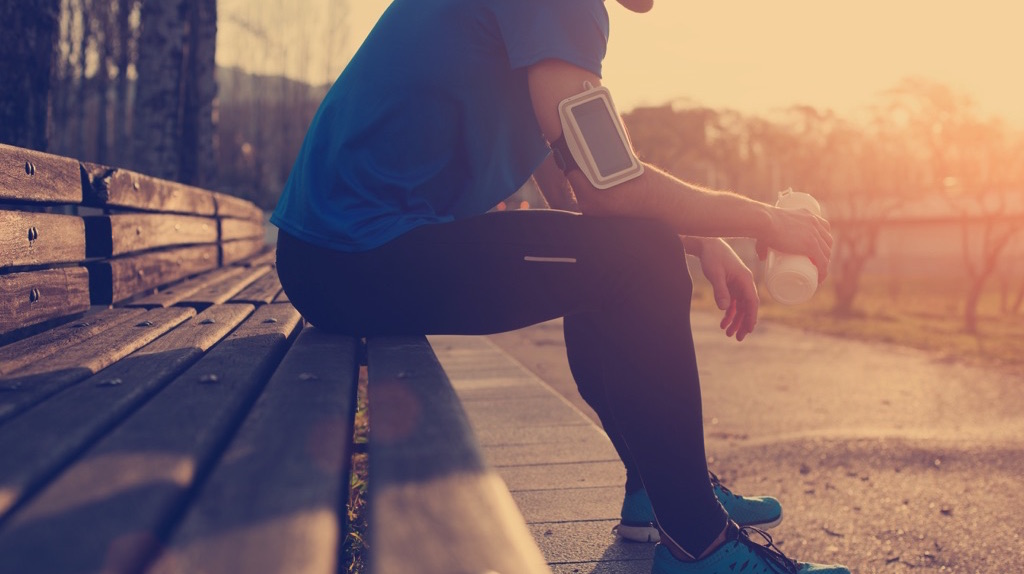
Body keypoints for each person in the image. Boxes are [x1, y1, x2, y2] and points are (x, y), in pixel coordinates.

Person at [271, 0, 849, 572]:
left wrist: (703, 240)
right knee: (638, 263)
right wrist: (765, 220)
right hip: (357, 255)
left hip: (333, 257)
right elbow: (610, 191)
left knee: (617, 259)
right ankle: (699, 542)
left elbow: (580, 199)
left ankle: (658, 489)